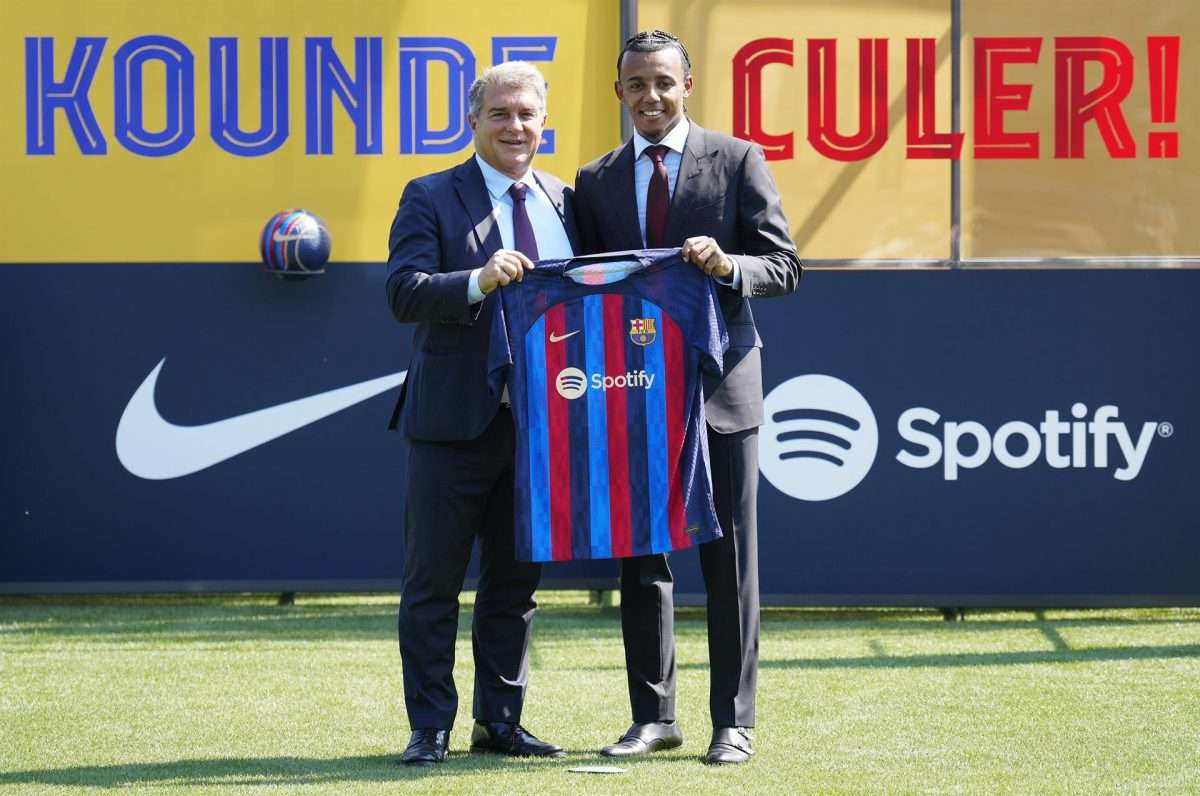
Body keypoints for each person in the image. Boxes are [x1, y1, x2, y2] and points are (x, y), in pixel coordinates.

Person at [573, 30, 802, 765]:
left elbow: (784, 266)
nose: (651, 96)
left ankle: (733, 722)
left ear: (687, 86)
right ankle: (653, 718)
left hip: (720, 384)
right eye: (637, 84)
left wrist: (728, 264)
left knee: (729, 560)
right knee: (643, 559)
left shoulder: (737, 159)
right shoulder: (594, 179)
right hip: (633, 386)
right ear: (619, 92)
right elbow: (586, 287)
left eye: (663, 82)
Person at [385, 60, 577, 766]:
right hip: (452, 424)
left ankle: (500, 722)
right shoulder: (430, 194)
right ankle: (429, 726)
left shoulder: (566, 200)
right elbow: (404, 292)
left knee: (515, 586)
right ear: (473, 121)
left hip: (541, 426)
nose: (514, 126)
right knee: (432, 584)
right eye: (499, 114)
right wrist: (477, 279)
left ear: (544, 122)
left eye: (526, 114)